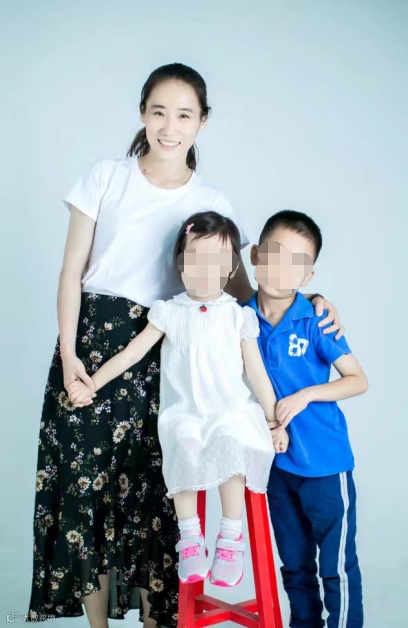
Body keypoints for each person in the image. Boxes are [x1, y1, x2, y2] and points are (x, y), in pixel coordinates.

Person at [27, 59, 343, 627]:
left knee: (157, 494)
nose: (169, 127)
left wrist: (310, 302)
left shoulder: (210, 201)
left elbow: (242, 294)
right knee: (85, 494)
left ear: (202, 122)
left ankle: (159, 618)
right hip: (94, 346)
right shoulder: (105, 176)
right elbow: (71, 272)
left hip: (171, 360)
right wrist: (71, 355)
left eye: (183, 115)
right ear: (142, 114)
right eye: (158, 112)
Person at [68, 211, 290, 588]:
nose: (205, 270)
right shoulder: (168, 312)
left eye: (216, 261)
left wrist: (274, 422)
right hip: (185, 411)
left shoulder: (238, 317)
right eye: (196, 259)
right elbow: (131, 354)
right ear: (181, 264)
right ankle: (190, 537)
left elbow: (257, 374)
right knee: (182, 443)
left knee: (232, 441)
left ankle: (230, 537)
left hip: (230, 409)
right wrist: (93, 383)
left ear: (230, 268)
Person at [246, 210, 368, 628]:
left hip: (325, 463)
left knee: (335, 567)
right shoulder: (238, 318)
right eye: (275, 254)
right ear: (256, 255)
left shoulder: (316, 318)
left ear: (308, 276)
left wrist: (306, 395)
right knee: (295, 567)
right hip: (276, 465)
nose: (282, 268)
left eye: (296, 262)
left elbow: (358, 380)